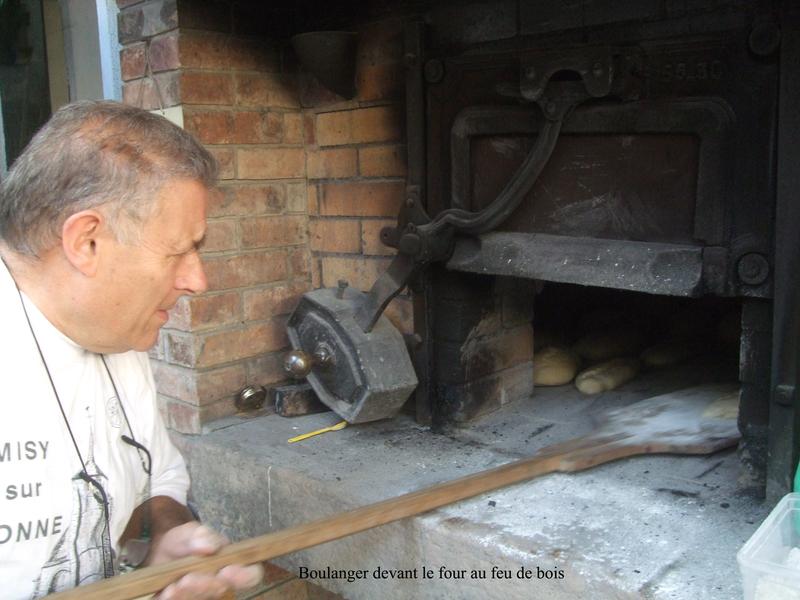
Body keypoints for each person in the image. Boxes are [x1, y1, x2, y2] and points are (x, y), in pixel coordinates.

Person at [0, 100, 263, 598]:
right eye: (177, 251)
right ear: (87, 241)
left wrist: (169, 541)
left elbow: (155, 482)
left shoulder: (116, 336)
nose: (197, 280)